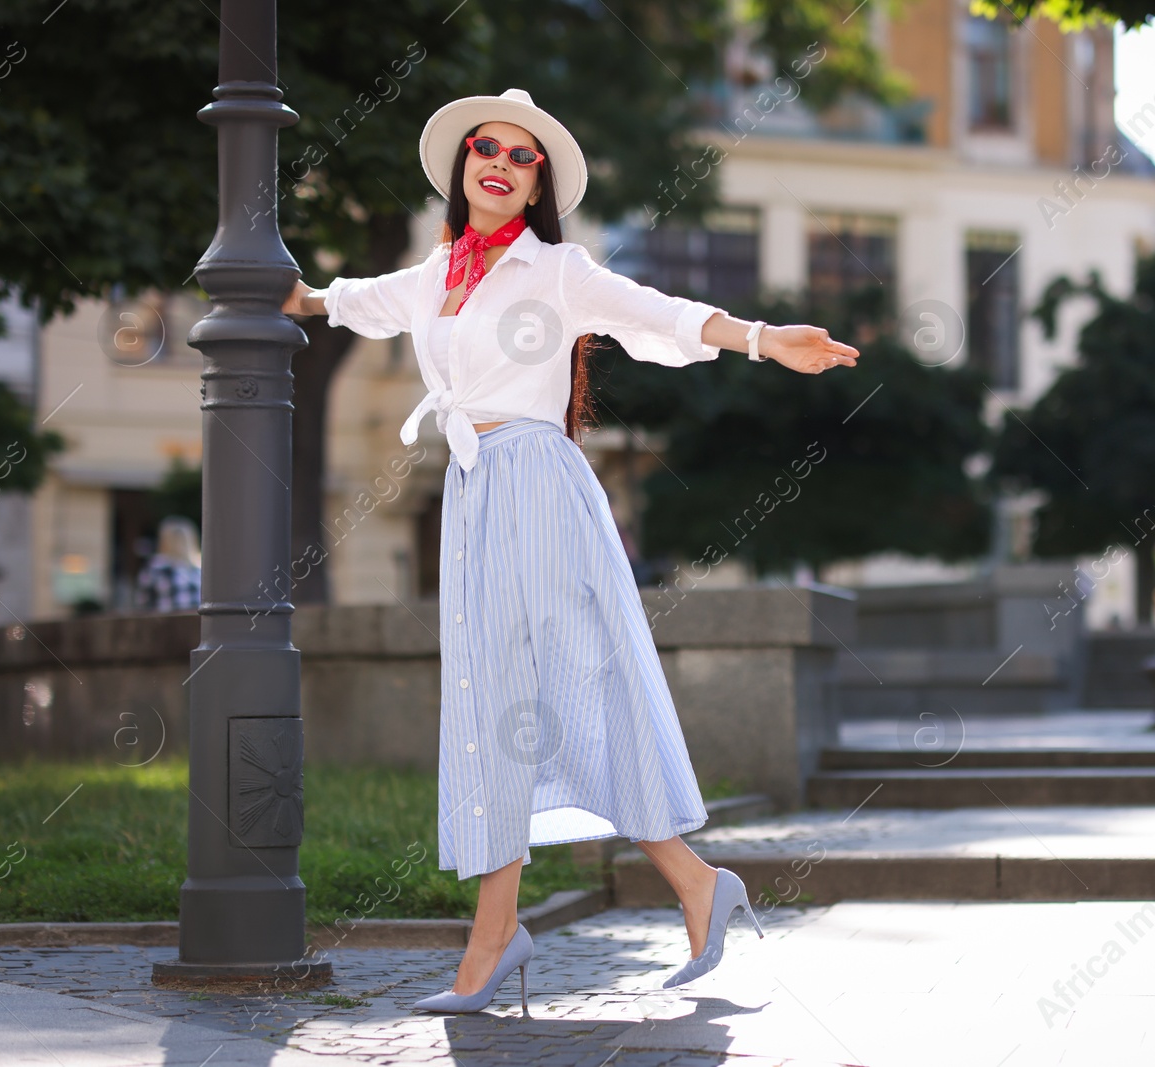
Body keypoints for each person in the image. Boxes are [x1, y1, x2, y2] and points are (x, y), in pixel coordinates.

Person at [282, 87, 859, 1015]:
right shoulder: (435, 274)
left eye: (522, 156)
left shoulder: (558, 269)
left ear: (538, 181)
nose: (500, 164)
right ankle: (540, 920)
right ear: (463, 164)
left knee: (579, 684)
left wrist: (760, 338)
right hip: (473, 494)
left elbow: (659, 312)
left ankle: (636, 897)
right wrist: (272, 283)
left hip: (540, 487)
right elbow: (341, 299)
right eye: (486, 148)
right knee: (489, 697)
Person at [135, 516, 202, 613]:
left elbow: (142, 604)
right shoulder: (199, 570)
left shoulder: (154, 568)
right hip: (194, 625)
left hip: (167, 624)